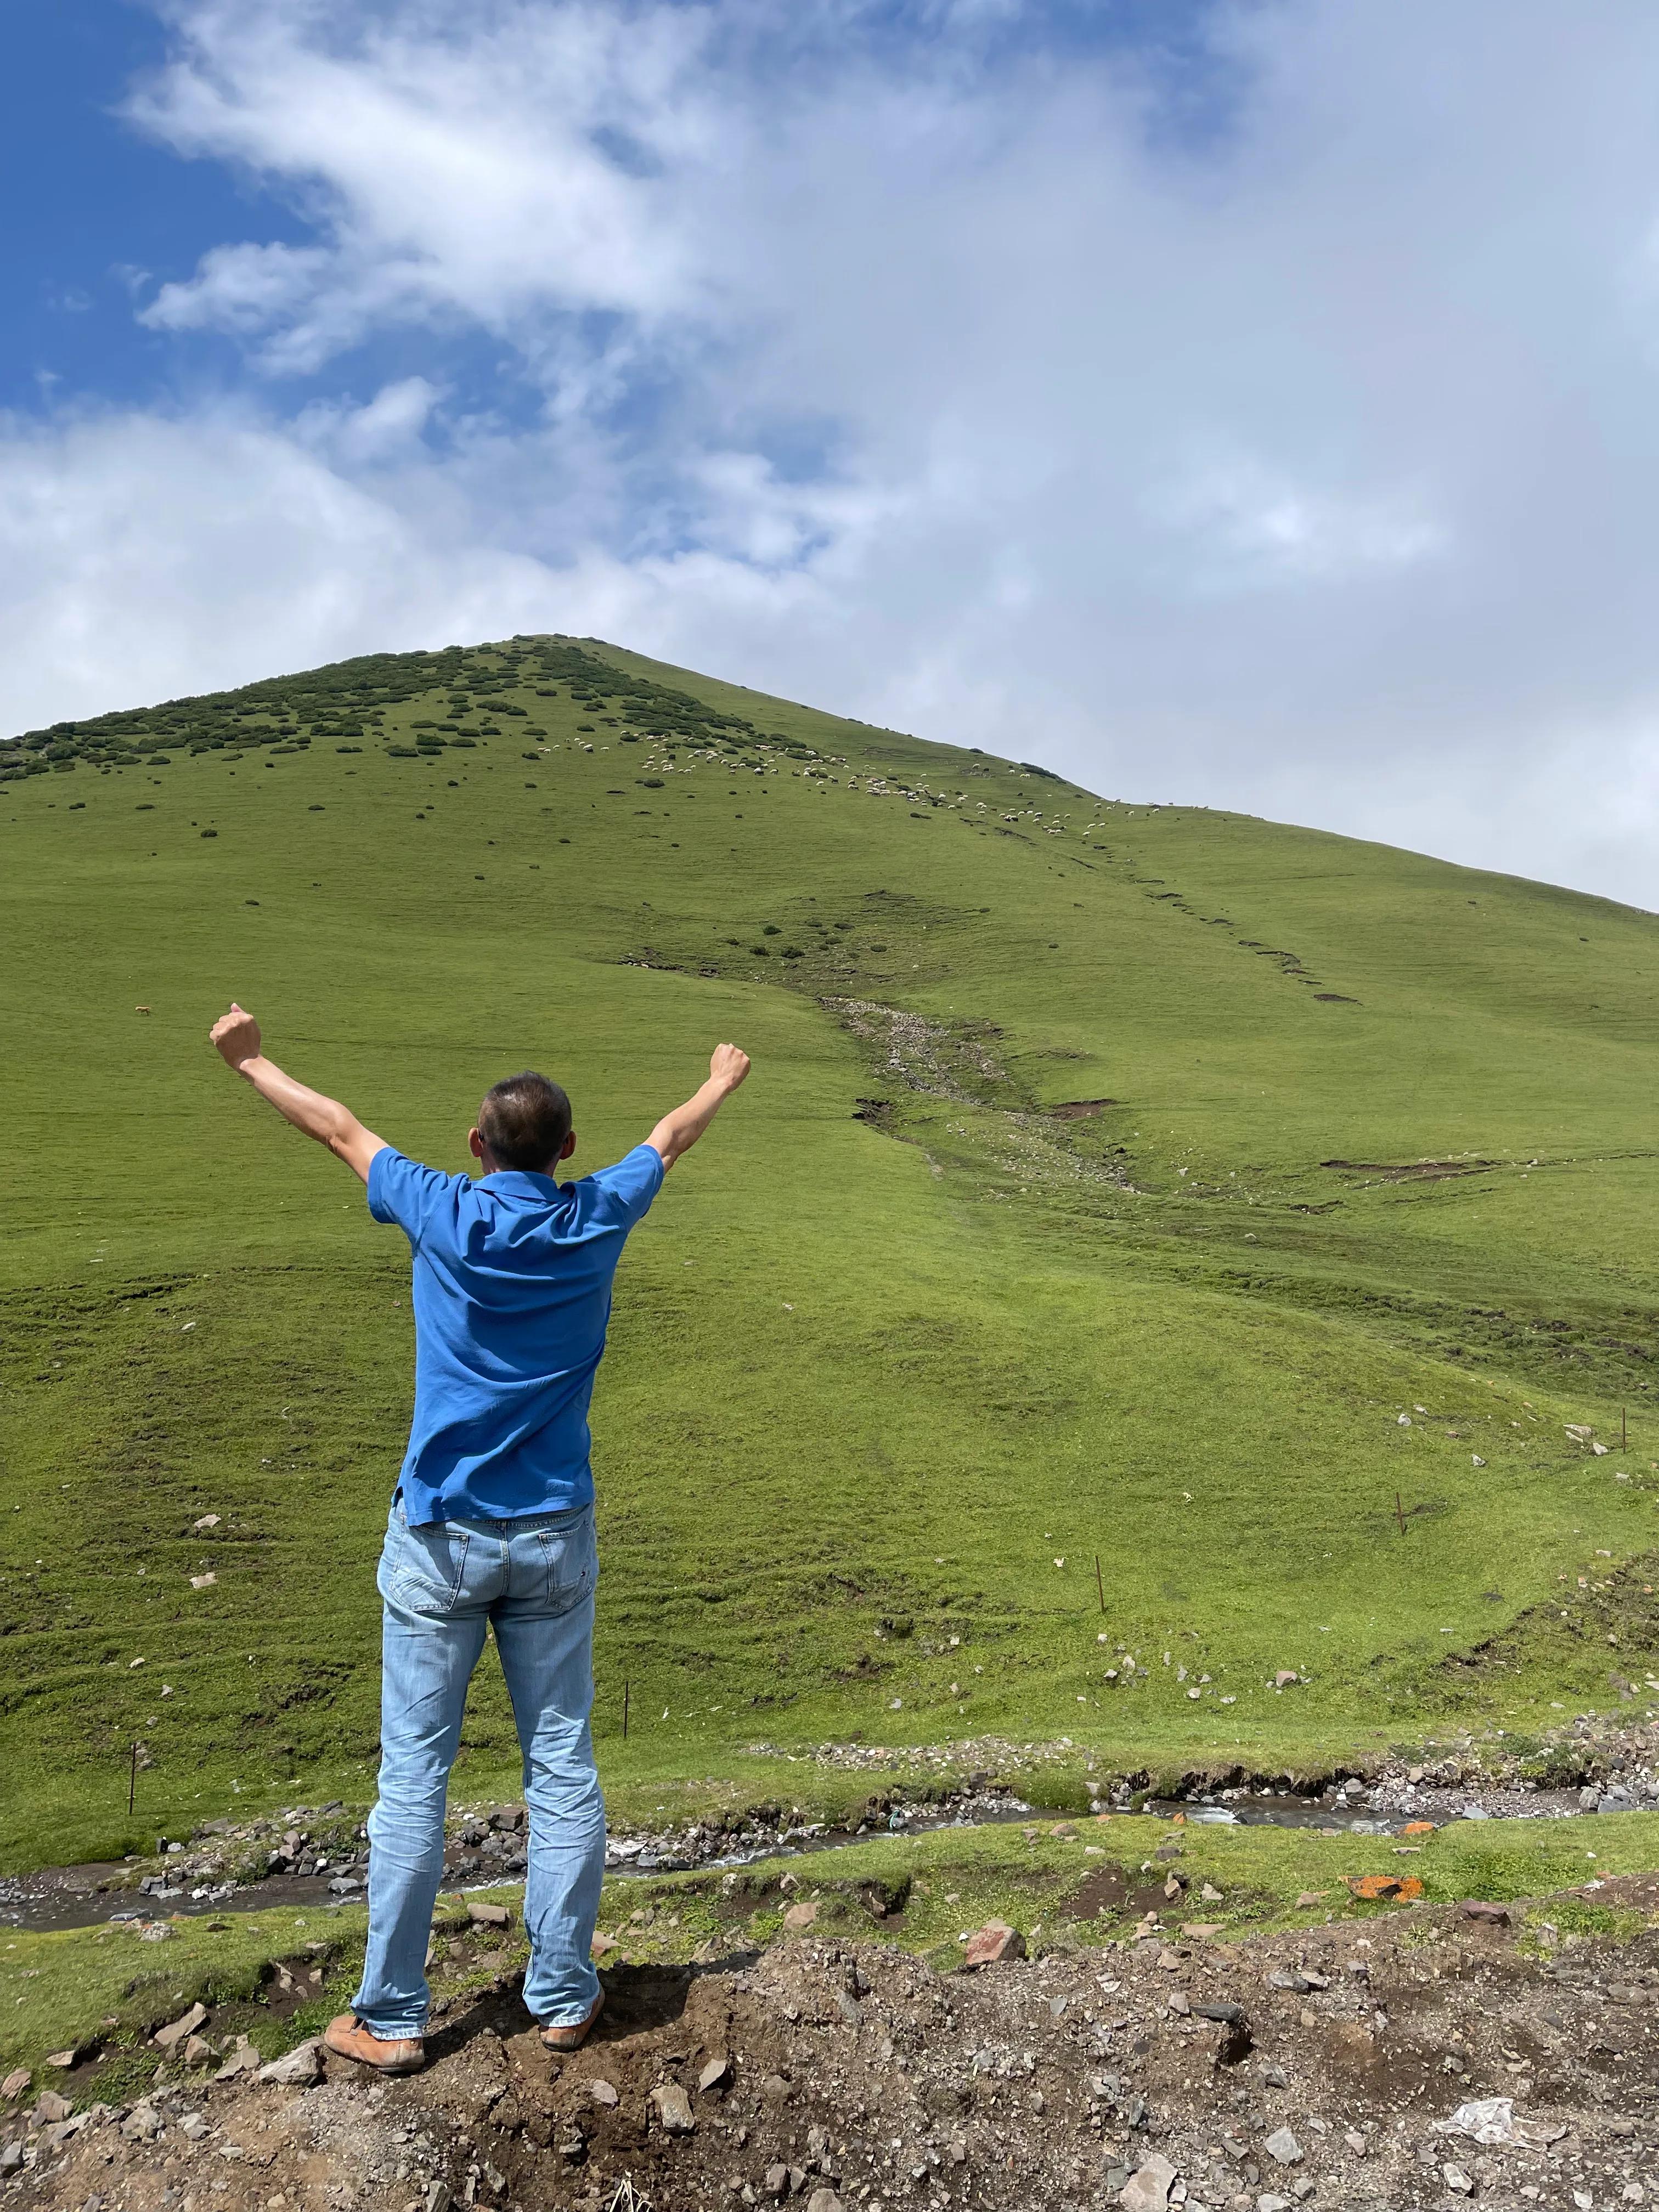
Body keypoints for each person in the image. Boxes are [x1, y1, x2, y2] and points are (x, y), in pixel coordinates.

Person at [208, 1003, 751, 2073]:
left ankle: (394, 2018)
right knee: (561, 1764)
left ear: (476, 1147)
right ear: (566, 1153)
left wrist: (253, 1060)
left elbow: (337, 1129)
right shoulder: (596, 1211)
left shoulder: (440, 1210)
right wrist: (721, 1075)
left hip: (440, 1534)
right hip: (551, 1534)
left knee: (414, 1779)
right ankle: (560, 1994)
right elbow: (672, 1137)